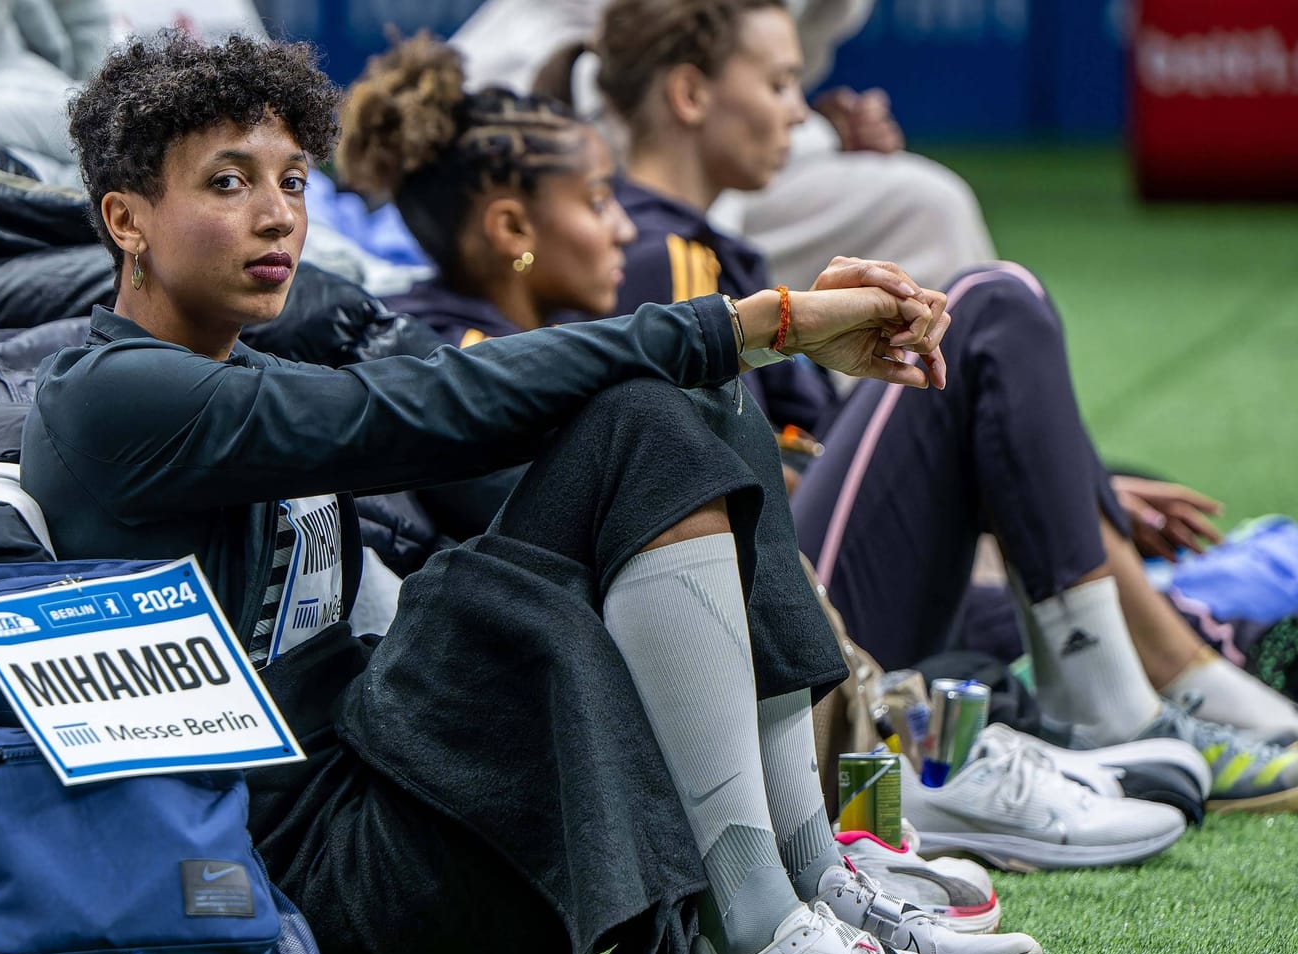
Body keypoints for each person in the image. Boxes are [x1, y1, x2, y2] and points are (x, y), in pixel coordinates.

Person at [25, 29, 1037, 954]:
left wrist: (731, 367)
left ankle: (803, 880)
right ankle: (757, 936)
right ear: (127, 219)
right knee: (658, 397)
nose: (274, 216)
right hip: (299, 890)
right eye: (229, 182)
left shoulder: (251, 375)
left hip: (387, 824)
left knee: (694, 406)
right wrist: (755, 321)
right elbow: (419, 408)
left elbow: (517, 451)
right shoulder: (108, 397)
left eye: (292, 182)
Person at [533, 0, 1298, 803]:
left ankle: (1179, 679)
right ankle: (1145, 702)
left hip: (803, 604)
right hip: (790, 621)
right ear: (690, 95)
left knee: (1083, 549)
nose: (803, 112)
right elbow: (694, 480)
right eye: (781, 82)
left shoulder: (709, 245)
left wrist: (1059, 482)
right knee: (993, 305)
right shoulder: (664, 256)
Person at [451, 0, 995, 289]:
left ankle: (913, 435)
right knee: (685, 283)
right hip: (515, 144)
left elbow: (760, 74)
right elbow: (625, 87)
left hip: (695, 149)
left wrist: (805, 113)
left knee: (925, 206)